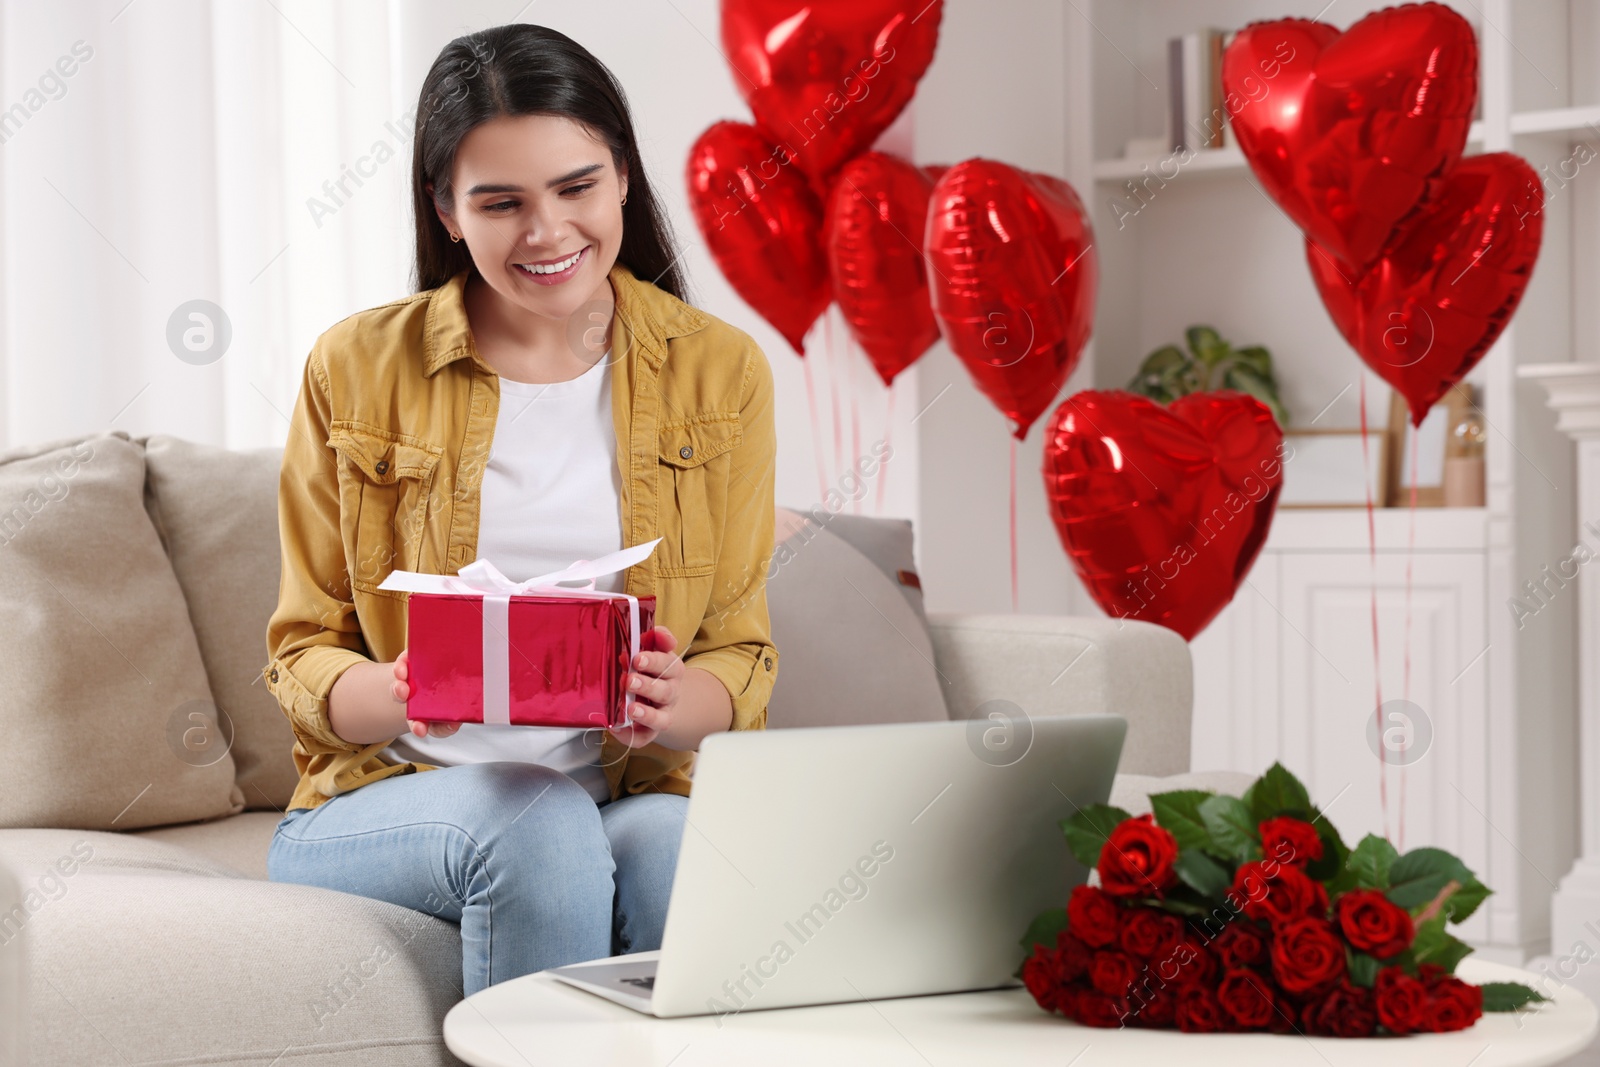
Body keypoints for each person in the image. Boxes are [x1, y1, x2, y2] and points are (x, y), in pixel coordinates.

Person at [262, 22, 779, 999]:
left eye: (576, 188)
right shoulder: (356, 365)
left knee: (680, 843)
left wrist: (676, 702)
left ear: (622, 176)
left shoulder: (720, 370)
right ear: (447, 213)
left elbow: (740, 652)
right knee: (537, 817)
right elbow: (301, 652)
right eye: (501, 203)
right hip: (391, 793)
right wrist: (404, 689)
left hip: (622, 788)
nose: (547, 233)